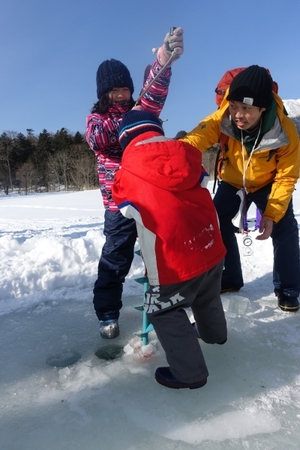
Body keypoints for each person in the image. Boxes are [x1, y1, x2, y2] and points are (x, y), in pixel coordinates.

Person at [112, 110, 227, 389]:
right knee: (205, 295)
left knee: (162, 310)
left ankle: (191, 374)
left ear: (126, 140)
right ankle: (215, 336)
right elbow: (201, 180)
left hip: (174, 261)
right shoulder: (187, 154)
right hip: (210, 247)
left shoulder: (127, 172)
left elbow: (123, 206)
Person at [85, 27, 184, 338]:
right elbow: (97, 138)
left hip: (148, 196)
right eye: (113, 90)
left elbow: (153, 92)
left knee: (162, 253)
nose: (120, 95)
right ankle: (107, 313)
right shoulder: (96, 120)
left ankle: (168, 302)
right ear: (103, 94)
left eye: (125, 90)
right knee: (116, 256)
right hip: (118, 203)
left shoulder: (139, 109)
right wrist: (131, 124)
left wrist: (164, 59)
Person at [181, 65, 300, 312]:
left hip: (268, 182)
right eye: (234, 106)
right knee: (215, 218)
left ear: (262, 107)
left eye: (246, 109)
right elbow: (194, 141)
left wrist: (270, 214)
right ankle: (231, 277)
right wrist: (170, 155)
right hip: (233, 180)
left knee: (284, 226)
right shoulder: (223, 117)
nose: (238, 114)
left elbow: (287, 176)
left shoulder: (285, 130)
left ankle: (288, 288)